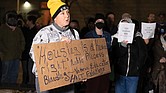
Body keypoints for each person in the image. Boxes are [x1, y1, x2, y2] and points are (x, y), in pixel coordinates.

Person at [29, 0, 80, 93]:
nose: (67, 15)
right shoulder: (44, 33)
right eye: (62, 13)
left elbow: (78, 55)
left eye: (68, 12)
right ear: (55, 17)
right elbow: (34, 54)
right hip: (47, 79)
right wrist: (58, 46)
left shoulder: (74, 33)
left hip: (67, 78)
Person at [112, 18, 147, 93]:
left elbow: (143, 54)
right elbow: (115, 55)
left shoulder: (138, 38)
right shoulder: (115, 38)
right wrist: (123, 46)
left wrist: (138, 67)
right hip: (120, 74)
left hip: (133, 75)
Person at [84, 13, 111, 93]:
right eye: (98, 21)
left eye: (102, 21)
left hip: (104, 66)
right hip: (92, 67)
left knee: (103, 88)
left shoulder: (107, 35)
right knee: (92, 88)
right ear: (95, 22)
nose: (100, 22)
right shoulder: (88, 35)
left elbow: (110, 49)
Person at [0, 10, 25, 84]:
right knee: (5, 75)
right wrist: (4, 50)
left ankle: (12, 90)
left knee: (14, 75)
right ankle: (4, 90)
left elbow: (22, 40)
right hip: (6, 57)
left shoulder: (18, 30)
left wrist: (21, 50)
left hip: (16, 56)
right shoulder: (2, 29)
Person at [21, 15, 38, 88]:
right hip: (26, 54)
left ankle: (31, 86)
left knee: (30, 70)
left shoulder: (35, 31)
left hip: (31, 54)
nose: (26, 22)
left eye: (27, 20)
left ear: (31, 21)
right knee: (25, 70)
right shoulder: (26, 30)